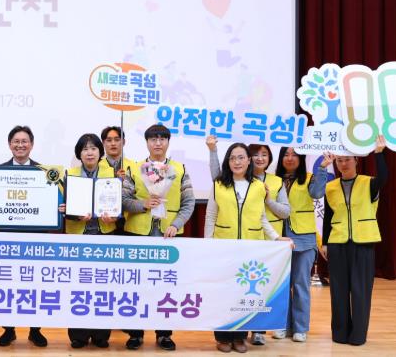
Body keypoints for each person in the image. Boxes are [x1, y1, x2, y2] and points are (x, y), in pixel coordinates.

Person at [204, 143, 293, 353]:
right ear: (227, 161)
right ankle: (223, 337)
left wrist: (276, 237)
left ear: (248, 160)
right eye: (233, 158)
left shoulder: (258, 186)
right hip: (223, 246)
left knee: (244, 293)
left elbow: (261, 218)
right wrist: (208, 244)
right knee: (224, 293)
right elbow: (211, 216)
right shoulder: (218, 185)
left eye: (241, 157)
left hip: (250, 247)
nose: (237, 162)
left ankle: (240, 337)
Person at [121, 124, 195, 351]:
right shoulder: (135, 168)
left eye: (162, 139)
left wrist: (175, 224)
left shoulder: (179, 169)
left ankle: (164, 334)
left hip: (167, 236)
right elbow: (123, 200)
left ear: (168, 142)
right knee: (137, 285)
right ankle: (135, 333)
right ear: (146, 142)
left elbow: (189, 202)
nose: (158, 143)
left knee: (166, 286)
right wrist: (142, 204)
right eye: (153, 139)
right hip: (138, 233)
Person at [323, 136, 388, 346]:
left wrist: (379, 154)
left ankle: (358, 335)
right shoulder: (330, 187)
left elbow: (384, 177)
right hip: (337, 243)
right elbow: (328, 217)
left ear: (356, 160)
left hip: (363, 243)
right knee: (338, 291)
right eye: (340, 160)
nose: (343, 164)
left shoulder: (369, 183)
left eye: (347, 160)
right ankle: (340, 333)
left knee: (361, 291)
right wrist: (325, 243)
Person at [269, 147, 333, 342]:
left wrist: (323, 167)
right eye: (286, 155)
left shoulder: (310, 178)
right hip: (279, 239)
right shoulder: (273, 180)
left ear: (301, 158)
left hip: (304, 239)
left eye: (294, 155)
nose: (290, 158)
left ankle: (300, 328)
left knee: (300, 284)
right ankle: (282, 325)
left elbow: (317, 193)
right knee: (281, 286)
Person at [0, 125, 49, 348]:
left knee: (35, 286)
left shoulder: (45, 173)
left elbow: (50, 203)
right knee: (8, 286)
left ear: (31, 144)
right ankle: (8, 330)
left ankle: (35, 330)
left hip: (35, 239)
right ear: (9, 145)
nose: (20, 145)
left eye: (24, 141)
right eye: (16, 141)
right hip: (7, 239)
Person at [65, 133, 116, 348]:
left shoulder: (112, 175)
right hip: (78, 237)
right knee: (78, 287)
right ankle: (78, 335)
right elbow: (61, 208)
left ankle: (100, 335)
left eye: (93, 148)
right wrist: (74, 214)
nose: (89, 153)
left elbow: (120, 206)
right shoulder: (70, 175)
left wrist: (115, 216)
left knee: (103, 286)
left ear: (100, 152)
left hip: (104, 236)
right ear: (79, 153)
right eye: (85, 149)